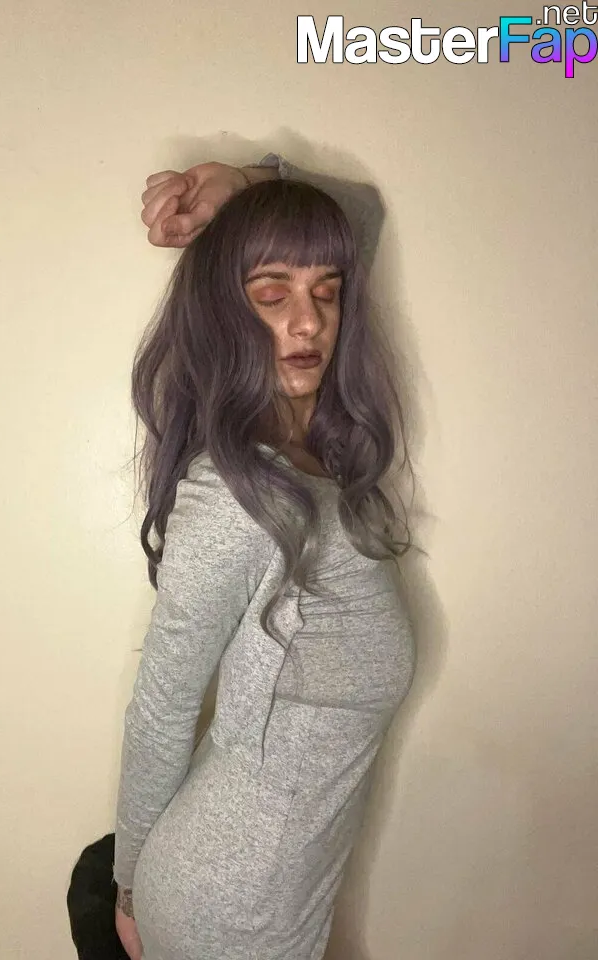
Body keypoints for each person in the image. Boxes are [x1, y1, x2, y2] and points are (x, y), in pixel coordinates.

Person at [112, 154, 417, 960]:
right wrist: (130, 889)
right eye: (271, 294)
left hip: (277, 890)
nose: (308, 322)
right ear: (223, 312)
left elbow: (358, 212)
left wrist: (245, 184)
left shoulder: (317, 471)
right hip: (229, 906)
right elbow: (162, 707)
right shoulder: (235, 498)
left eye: (326, 292)